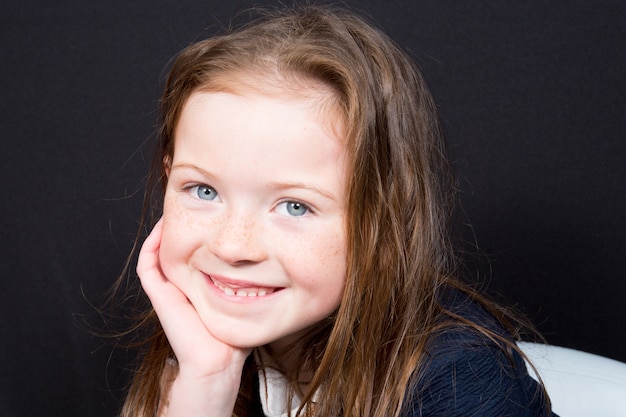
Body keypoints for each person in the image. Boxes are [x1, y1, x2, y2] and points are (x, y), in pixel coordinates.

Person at [117, 5, 556, 417]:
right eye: (204, 190)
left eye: (294, 206)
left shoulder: (466, 386)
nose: (232, 246)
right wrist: (205, 386)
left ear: (383, 229)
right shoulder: (202, 339)